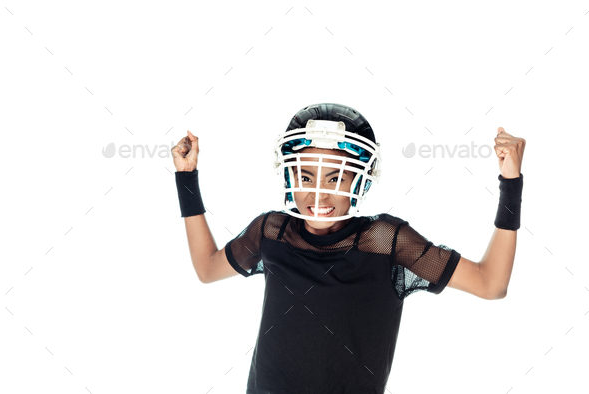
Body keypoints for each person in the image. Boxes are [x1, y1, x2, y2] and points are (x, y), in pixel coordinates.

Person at [171, 103, 526, 394]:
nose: (318, 195)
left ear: (360, 177)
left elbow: (490, 283)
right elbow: (207, 268)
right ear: (289, 174)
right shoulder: (273, 231)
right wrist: (186, 178)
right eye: (307, 177)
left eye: (335, 178)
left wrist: (510, 183)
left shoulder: (384, 240)